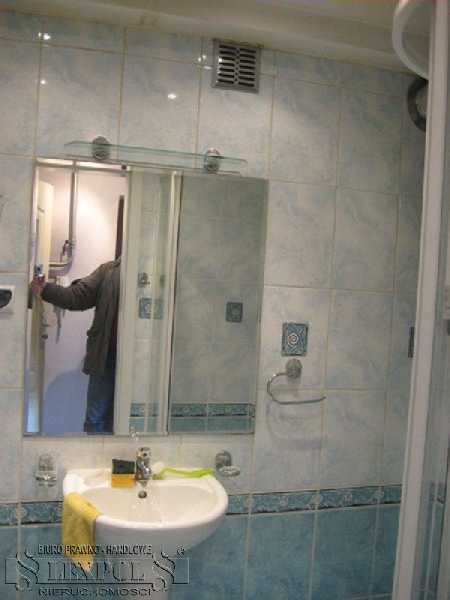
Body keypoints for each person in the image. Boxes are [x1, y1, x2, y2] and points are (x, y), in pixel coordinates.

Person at [30, 259, 121, 434]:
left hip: (143, 363)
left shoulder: (160, 269)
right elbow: (78, 296)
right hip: (106, 358)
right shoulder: (110, 270)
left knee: (136, 419)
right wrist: (45, 289)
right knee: (96, 421)